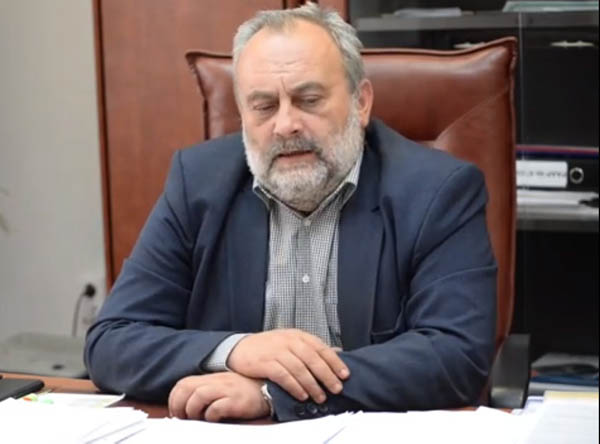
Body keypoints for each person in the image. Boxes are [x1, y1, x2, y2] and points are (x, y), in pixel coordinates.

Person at [84, 2, 497, 422]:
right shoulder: (199, 184)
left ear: (360, 102)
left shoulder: (437, 191)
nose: (285, 125)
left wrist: (272, 393)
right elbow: (112, 342)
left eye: (309, 100)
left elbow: (456, 355)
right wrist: (237, 350)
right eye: (264, 106)